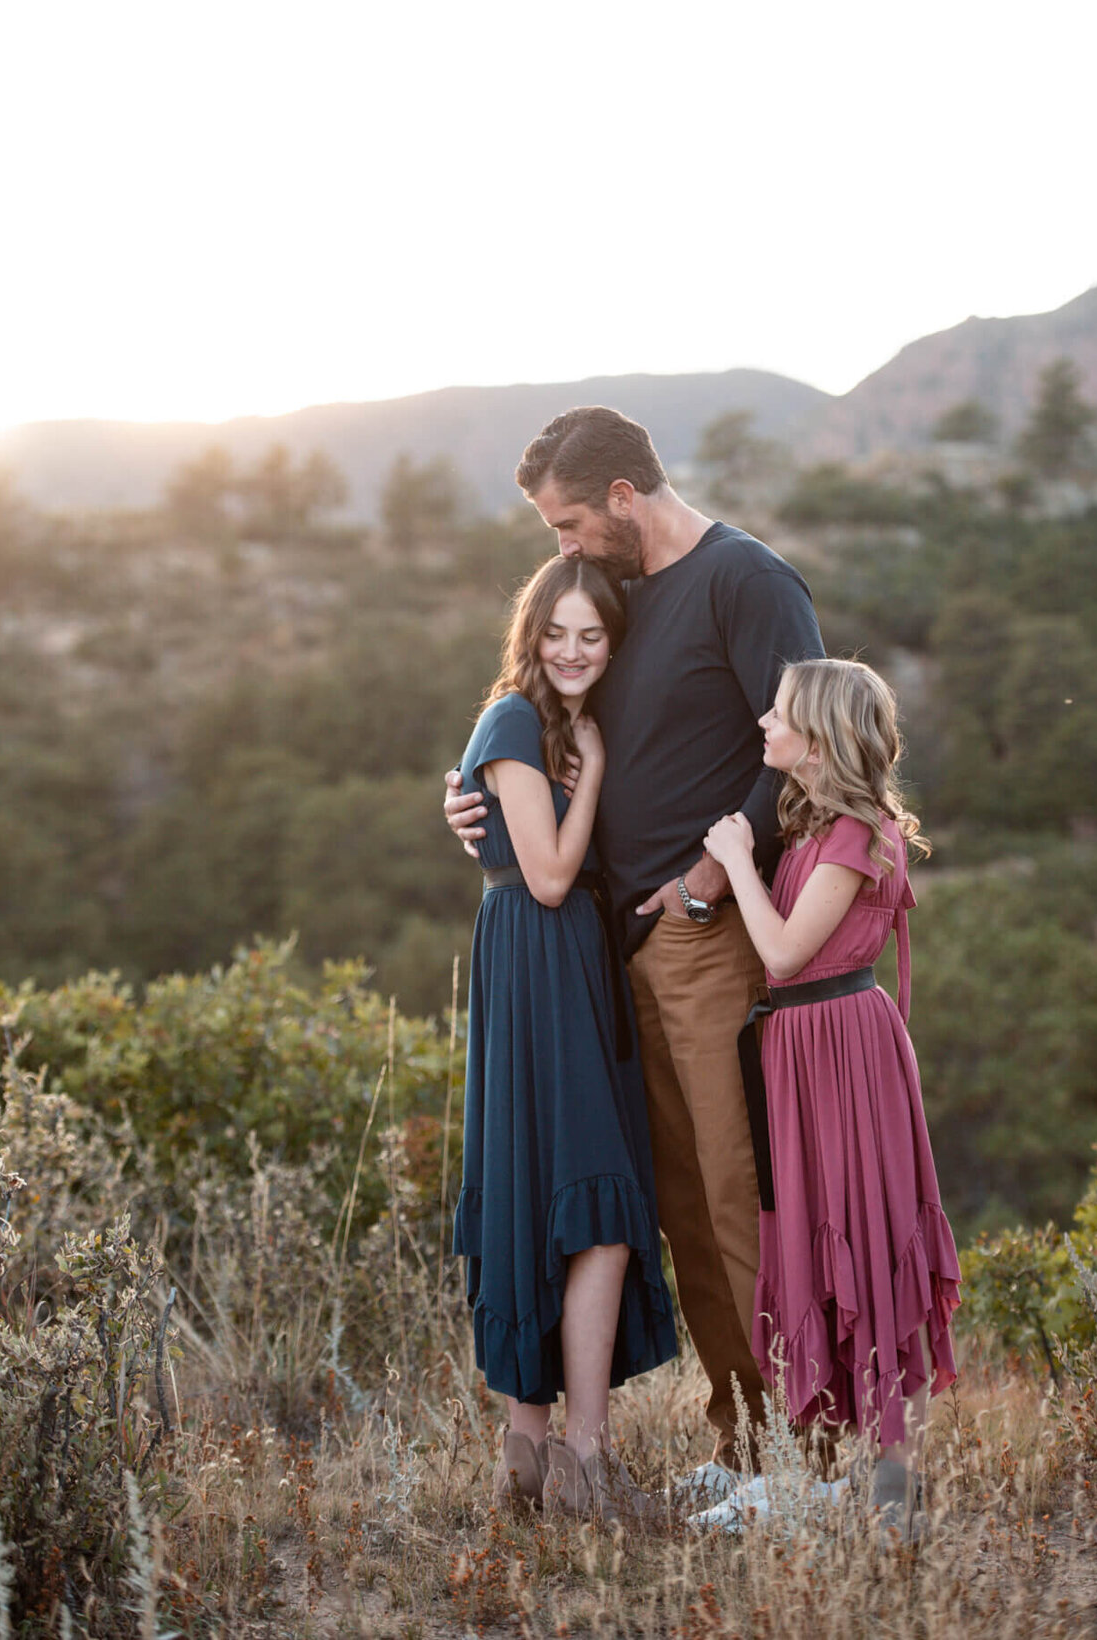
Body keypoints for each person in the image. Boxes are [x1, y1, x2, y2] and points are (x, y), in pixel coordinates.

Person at [446, 405, 824, 1480]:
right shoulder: (617, 599)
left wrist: (712, 874)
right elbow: (551, 725)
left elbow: (803, 746)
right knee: (680, 1207)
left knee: (733, 1191)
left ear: (622, 497)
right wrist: (474, 802)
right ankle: (742, 1438)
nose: (559, 548)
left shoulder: (748, 581)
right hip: (614, 955)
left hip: (706, 938)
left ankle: (801, 1449)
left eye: (567, 522)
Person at [703, 656, 961, 1537]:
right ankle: (861, 1472)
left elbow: (782, 953)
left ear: (818, 737)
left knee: (875, 1235)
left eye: (777, 716)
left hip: (842, 1049)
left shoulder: (853, 835)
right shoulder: (818, 826)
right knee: (820, 1228)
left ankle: (896, 1484)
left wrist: (736, 858)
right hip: (802, 1050)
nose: (764, 727)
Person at [453, 552, 677, 1521]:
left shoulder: (547, 723)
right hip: (540, 956)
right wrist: (589, 773)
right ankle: (578, 1460)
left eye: (594, 635)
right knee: (597, 1202)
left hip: (568, 962)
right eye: (558, 632)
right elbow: (546, 877)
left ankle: (533, 1463)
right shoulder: (517, 718)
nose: (576, 650)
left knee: (560, 1192)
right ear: (530, 633)